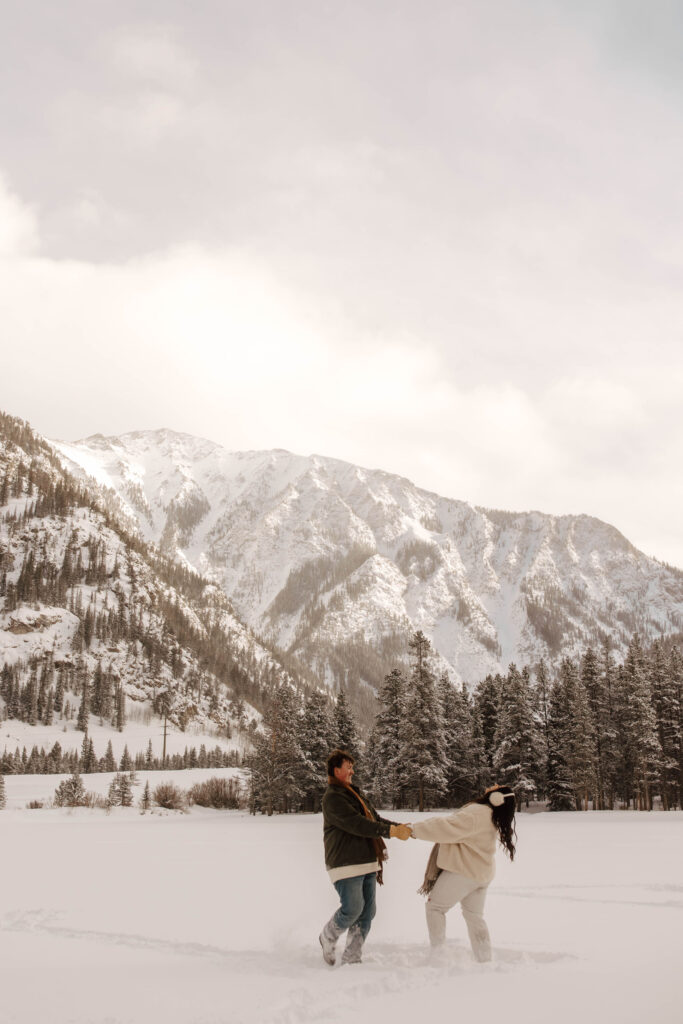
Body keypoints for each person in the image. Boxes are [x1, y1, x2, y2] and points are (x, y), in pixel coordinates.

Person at [319, 749, 411, 966]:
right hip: (345, 862)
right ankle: (328, 937)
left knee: (367, 912)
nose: (353, 770)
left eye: (352, 766)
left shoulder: (355, 795)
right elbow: (357, 824)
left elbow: (375, 819)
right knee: (352, 909)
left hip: (367, 861)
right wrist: (390, 832)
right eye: (348, 767)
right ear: (336, 770)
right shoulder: (333, 797)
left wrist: (398, 828)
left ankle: (352, 956)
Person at [409, 784, 516, 962]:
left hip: (464, 872)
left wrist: (413, 830)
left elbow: (446, 827)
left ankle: (438, 955)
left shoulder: (477, 813)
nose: (492, 786)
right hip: (481, 875)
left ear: (496, 797)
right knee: (474, 917)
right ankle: (484, 959)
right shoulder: (490, 815)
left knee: (435, 908)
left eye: (497, 787)